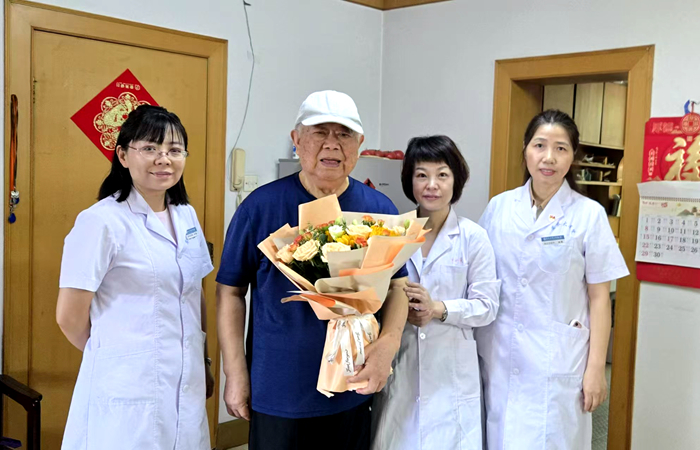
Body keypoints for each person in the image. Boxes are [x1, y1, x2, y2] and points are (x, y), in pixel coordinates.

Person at [216, 90, 410, 450]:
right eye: (320, 132)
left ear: (360, 144)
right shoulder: (260, 206)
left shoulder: (379, 209)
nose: (332, 144)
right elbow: (230, 291)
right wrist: (235, 372)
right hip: (279, 389)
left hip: (353, 385)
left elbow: (398, 286)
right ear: (296, 139)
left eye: (344, 134)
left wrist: (388, 344)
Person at [56, 105, 215, 450]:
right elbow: (69, 317)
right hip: (126, 384)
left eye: (174, 150)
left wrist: (203, 359)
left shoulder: (186, 215)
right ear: (123, 156)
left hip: (185, 378)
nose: (163, 159)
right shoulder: (100, 221)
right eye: (150, 148)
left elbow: (193, 292)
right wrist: (120, 355)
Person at [476, 110, 630, 449]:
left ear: (572, 155)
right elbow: (480, 279)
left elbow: (600, 298)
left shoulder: (589, 215)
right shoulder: (499, 208)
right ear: (525, 149)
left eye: (561, 148)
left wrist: (595, 369)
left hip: (558, 360)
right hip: (501, 354)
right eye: (540, 145)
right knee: (500, 437)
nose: (549, 157)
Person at [371, 135, 500, 450]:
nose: (432, 185)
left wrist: (438, 308)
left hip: (451, 374)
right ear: (409, 181)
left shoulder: (473, 238)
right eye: (421, 175)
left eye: (442, 174)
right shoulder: (391, 234)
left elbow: (487, 306)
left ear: (456, 180)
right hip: (402, 365)